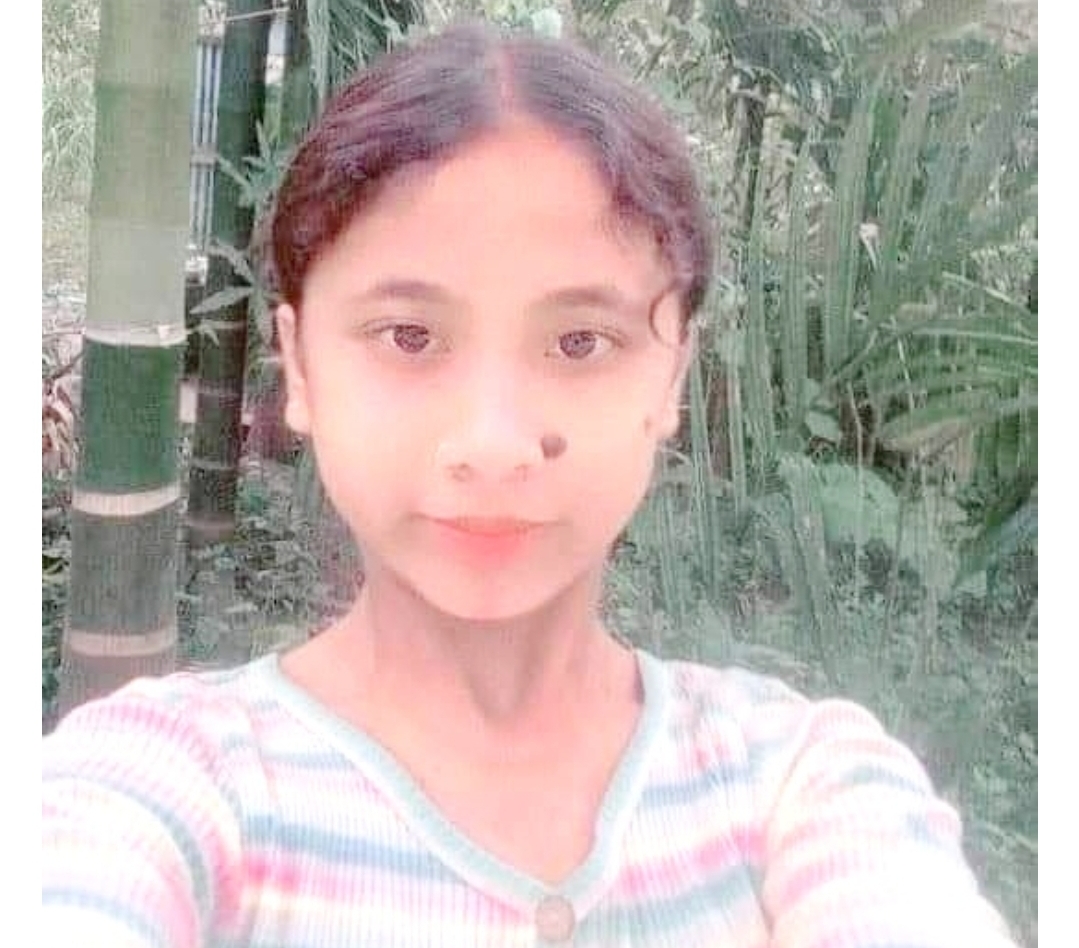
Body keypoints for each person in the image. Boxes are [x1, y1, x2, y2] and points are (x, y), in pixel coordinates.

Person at [43, 21, 1018, 948]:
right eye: (409, 336)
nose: (494, 444)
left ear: (671, 377)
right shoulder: (161, 783)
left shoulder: (800, 787)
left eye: (579, 342)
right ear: (300, 367)